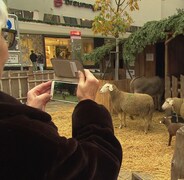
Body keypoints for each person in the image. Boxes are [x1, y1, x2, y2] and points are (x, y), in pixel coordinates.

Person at [0, 1, 122, 179]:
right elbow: (102, 165)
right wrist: (88, 104)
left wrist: (31, 115)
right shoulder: (16, 131)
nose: (6, 44)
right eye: (4, 35)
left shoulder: (17, 126)